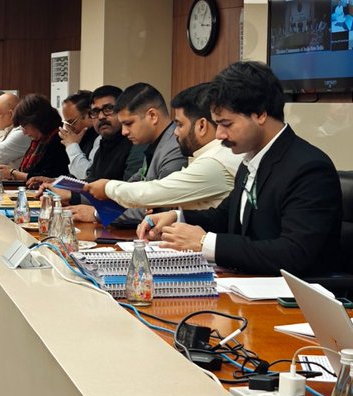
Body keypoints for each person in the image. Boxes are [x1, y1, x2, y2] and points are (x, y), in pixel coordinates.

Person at [139, 61, 341, 276]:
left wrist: (205, 243)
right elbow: (225, 217)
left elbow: (293, 253)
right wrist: (177, 217)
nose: (219, 135)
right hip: (247, 281)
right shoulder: (250, 160)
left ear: (260, 114)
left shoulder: (309, 169)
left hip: (289, 293)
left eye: (227, 124)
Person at [83, 82, 242, 211]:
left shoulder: (214, 162)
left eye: (180, 125)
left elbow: (156, 192)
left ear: (201, 126)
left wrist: (108, 188)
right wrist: (174, 216)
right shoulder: (204, 155)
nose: (175, 132)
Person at [71, 82, 187, 225]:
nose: (124, 132)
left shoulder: (175, 148)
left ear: (152, 116)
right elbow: (127, 189)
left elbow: (158, 208)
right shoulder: (156, 143)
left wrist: (97, 214)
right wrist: (75, 197)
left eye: (128, 123)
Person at [0, 94, 69, 184]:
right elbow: (30, 173)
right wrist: (11, 171)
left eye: (25, 127)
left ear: (37, 122)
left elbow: (46, 177)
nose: (24, 132)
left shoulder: (58, 141)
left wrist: (12, 173)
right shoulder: (38, 142)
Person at [60, 90, 98, 179]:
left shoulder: (101, 138)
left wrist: (72, 146)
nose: (69, 127)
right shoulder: (83, 137)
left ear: (89, 114)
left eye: (72, 122)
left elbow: (87, 177)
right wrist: (54, 181)